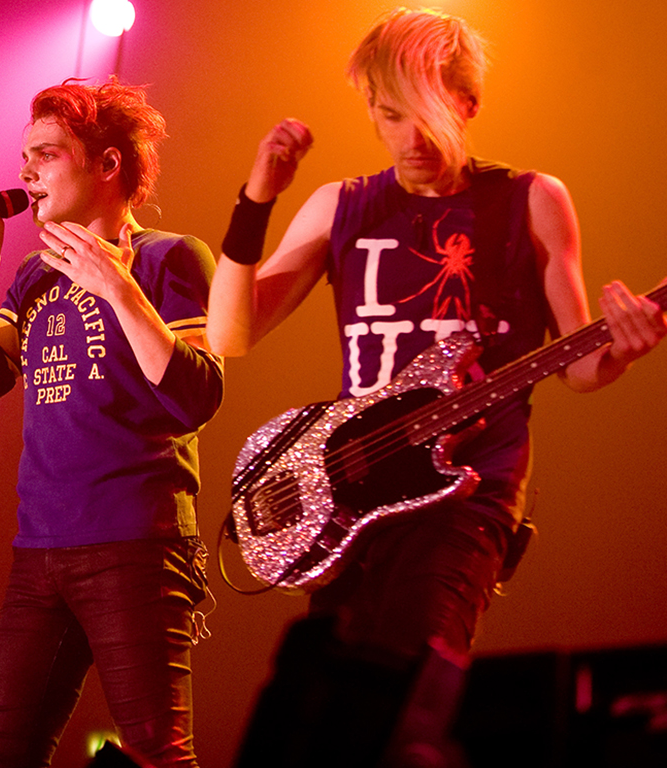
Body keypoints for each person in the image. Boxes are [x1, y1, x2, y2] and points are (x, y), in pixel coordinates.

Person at [206, 8, 666, 766]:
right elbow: (230, 335)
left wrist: (624, 349)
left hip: (468, 493)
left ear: (468, 106)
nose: (406, 140)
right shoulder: (341, 205)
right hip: (351, 494)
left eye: (422, 117)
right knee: (330, 706)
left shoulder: (530, 200)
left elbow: (581, 363)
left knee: (404, 691)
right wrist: (256, 199)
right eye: (388, 116)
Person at [0, 79, 223, 768]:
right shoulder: (32, 276)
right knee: (3, 752)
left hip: (135, 540)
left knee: (159, 751)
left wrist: (120, 289)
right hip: (38, 549)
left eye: (46, 154)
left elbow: (197, 396)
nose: (26, 173)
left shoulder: (168, 257)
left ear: (107, 166)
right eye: (24, 157)